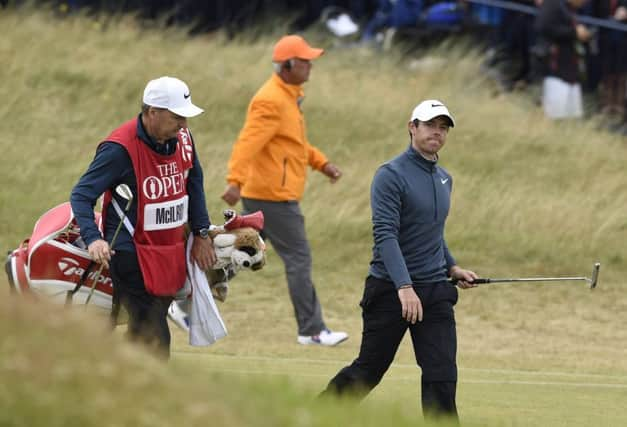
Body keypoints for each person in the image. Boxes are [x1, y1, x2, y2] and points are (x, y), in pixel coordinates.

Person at [320, 100, 478, 422]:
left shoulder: (444, 178)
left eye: (443, 127)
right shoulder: (390, 175)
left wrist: (452, 266)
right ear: (412, 127)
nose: (437, 132)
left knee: (442, 374)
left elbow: (432, 232)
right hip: (391, 290)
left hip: (434, 291)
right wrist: (404, 287)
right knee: (369, 371)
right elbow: (386, 235)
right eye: (430, 125)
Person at [70, 76, 217, 358]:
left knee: (142, 329)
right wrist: (93, 238)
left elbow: (194, 181)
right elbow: (81, 195)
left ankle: (118, 382)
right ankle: (152, 391)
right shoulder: (118, 149)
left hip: (168, 249)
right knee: (153, 332)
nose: (184, 125)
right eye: (177, 117)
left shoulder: (182, 138)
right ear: (153, 113)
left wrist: (201, 233)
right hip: (129, 250)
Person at [221, 35, 348, 347]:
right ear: (288, 65)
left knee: (243, 253)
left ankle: (184, 302)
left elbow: (295, 145)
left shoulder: (288, 97)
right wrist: (234, 181)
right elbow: (248, 142)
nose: (310, 66)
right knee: (299, 258)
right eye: (305, 61)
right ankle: (312, 330)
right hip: (272, 196)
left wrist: (322, 164)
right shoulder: (271, 99)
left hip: (269, 193)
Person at [535, 0, 592, 119]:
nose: (585, 2)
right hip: (555, 70)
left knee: (573, 118)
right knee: (555, 115)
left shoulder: (570, 8)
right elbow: (543, 26)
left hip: (572, 71)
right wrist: (573, 33)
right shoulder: (552, 4)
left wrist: (582, 34)